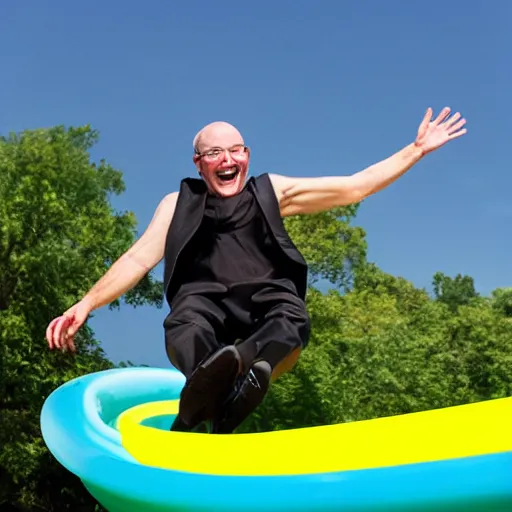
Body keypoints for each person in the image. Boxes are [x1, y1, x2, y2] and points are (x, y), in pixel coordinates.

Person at [46, 107, 466, 434]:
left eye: (235, 151)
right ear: (198, 163)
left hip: (264, 305)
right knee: (186, 321)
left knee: (290, 316)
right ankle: (206, 388)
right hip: (204, 306)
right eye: (214, 153)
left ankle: (245, 374)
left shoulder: (273, 191)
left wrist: (417, 149)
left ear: (246, 156)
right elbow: (138, 259)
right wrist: (87, 303)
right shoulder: (177, 204)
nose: (226, 160)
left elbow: (356, 186)